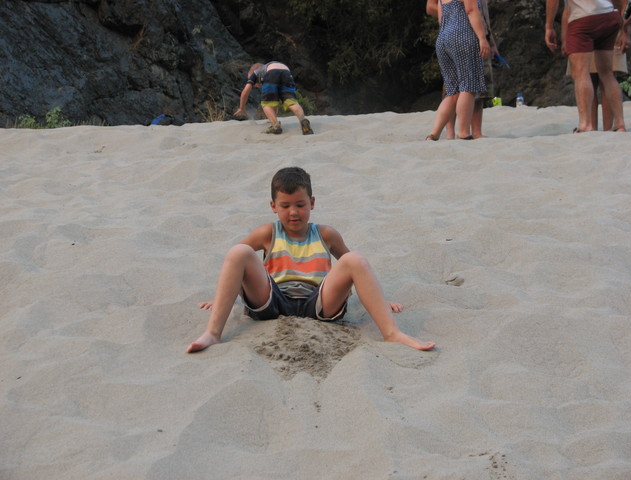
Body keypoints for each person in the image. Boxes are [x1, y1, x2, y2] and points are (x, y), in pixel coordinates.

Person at [187, 167, 435, 354]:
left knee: (355, 259)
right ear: (273, 206)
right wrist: (221, 298)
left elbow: (355, 270)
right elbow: (236, 265)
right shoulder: (267, 233)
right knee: (238, 251)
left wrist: (380, 300)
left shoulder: (326, 234)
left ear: (312, 203)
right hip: (272, 301)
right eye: (285, 206)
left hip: (318, 303)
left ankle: (392, 333)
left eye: (300, 205)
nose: (293, 212)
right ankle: (213, 333)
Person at [545, 0, 629, 132]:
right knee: (607, 73)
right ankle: (620, 124)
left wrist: (549, 26)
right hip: (609, 15)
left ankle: (585, 124)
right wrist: (621, 21)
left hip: (583, 18)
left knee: (581, 73)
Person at [426, 0, 498, 139]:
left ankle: (434, 134)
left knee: (452, 92)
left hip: (443, 40)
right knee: (468, 87)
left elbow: (441, 18)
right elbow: (471, 10)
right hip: (463, 36)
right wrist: (482, 38)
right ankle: (464, 132)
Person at [233, 61, 314, 135]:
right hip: (287, 72)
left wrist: (242, 108)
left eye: (255, 84)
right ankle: (303, 121)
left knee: (266, 103)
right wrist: (272, 117)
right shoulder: (270, 67)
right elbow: (274, 102)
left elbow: (245, 92)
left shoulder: (256, 73)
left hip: (272, 74)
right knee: (291, 102)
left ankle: (275, 126)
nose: (255, 86)